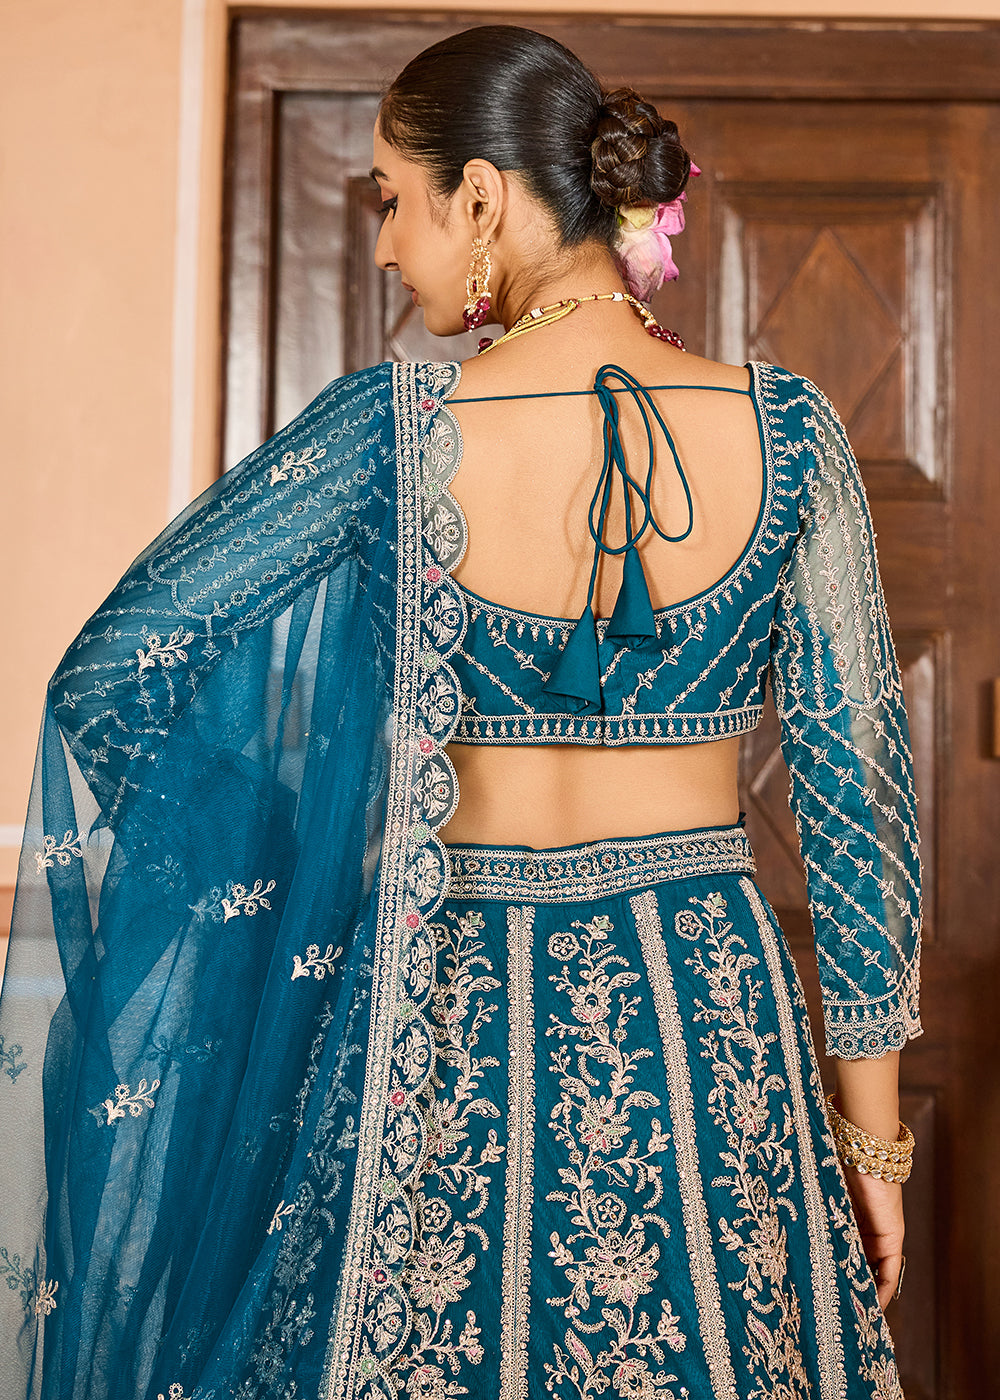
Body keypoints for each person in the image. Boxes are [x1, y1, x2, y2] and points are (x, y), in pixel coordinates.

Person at [0, 24, 921, 1400]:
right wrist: (874, 1149)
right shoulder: (792, 433)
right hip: (708, 1016)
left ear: (480, 198)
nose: (384, 246)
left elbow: (115, 675)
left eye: (392, 200)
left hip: (442, 1010)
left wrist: (300, 861)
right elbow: (856, 814)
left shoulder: (385, 433)